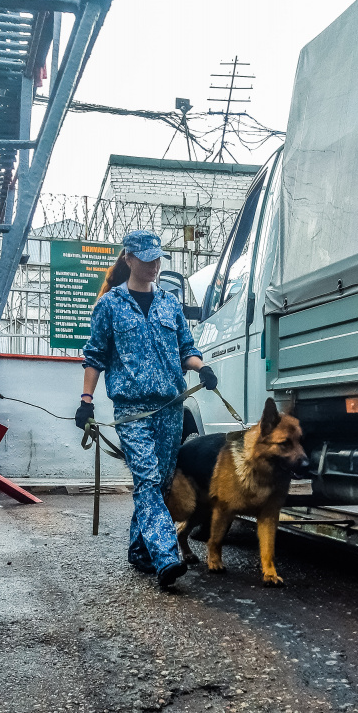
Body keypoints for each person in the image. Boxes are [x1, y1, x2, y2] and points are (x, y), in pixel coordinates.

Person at [75, 229, 217, 588]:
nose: (154, 264)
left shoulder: (170, 303)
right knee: (148, 479)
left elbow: (187, 348)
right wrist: (86, 401)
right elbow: (95, 356)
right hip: (132, 410)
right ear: (128, 258)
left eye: (158, 258)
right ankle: (166, 556)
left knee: (160, 482)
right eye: (146, 257)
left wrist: (204, 368)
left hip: (171, 408)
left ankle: (140, 550)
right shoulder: (109, 305)